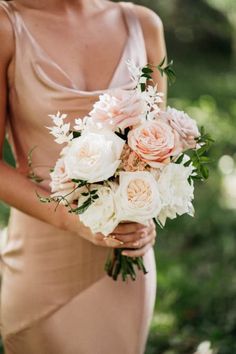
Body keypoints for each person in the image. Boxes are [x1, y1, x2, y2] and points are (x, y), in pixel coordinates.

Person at [0, 0, 167, 353]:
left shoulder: (143, 24)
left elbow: (157, 149)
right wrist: (73, 220)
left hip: (125, 263)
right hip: (43, 267)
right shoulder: (7, 25)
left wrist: (148, 214)